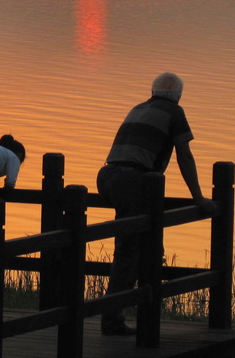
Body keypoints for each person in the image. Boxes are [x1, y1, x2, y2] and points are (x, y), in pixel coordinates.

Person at [96, 72, 218, 336]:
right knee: (133, 252)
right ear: (178, 96)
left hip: (107, 177)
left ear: (152, 91)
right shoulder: (174, 112)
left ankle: (119, 313)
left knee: (137, 246)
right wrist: (198, 198)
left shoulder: (139, 107)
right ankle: (114, 320)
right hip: (132, 181)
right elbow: (184, 156)